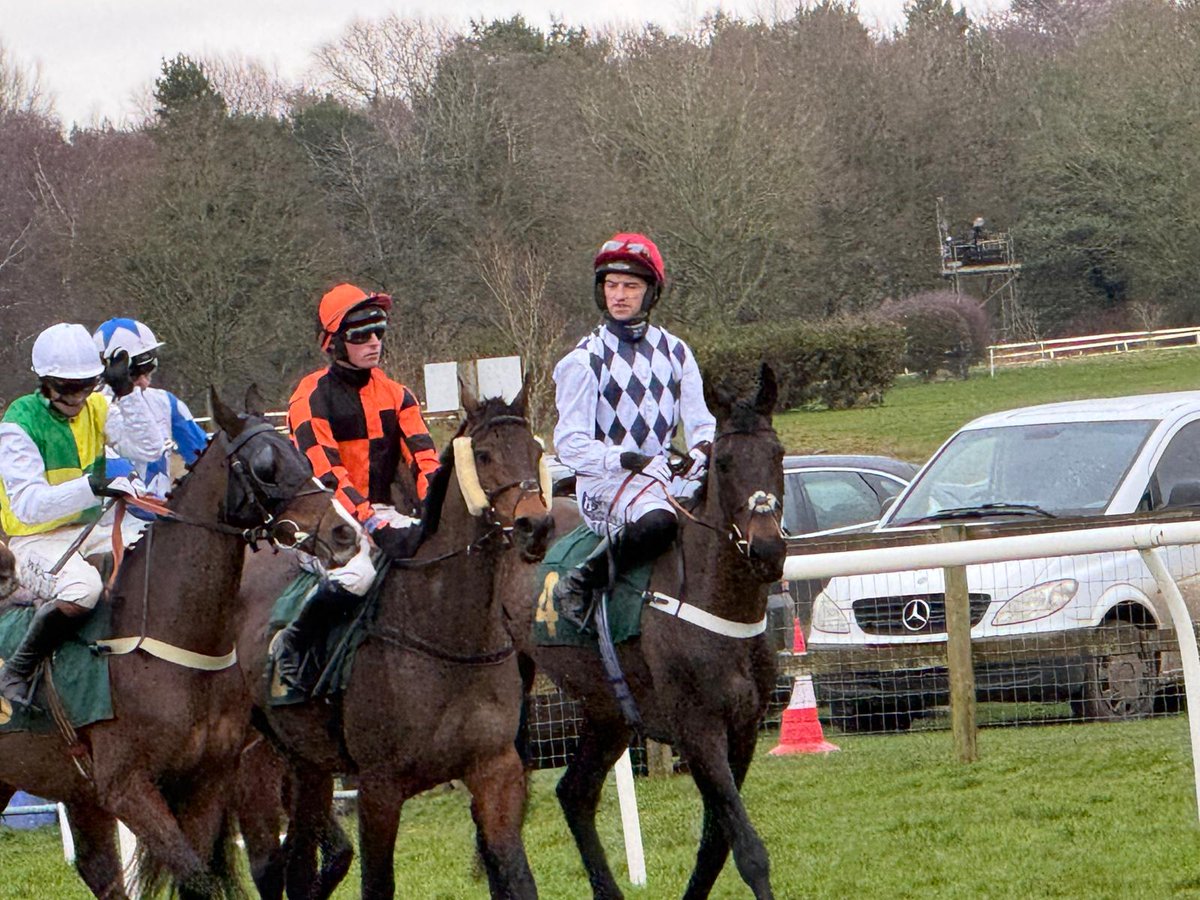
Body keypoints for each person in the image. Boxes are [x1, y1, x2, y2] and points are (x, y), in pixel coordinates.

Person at [277, 283, 440, 690]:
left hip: (380, 511)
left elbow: (425, 459)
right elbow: (328, 476)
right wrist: (371, 523)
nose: (373, 342)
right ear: (333, 343)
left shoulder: (398, 395)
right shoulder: (310, 397)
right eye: (361, 335)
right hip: (323, 520)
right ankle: (293, 645)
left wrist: (435, 508)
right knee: (359, 575)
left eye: (378, 331)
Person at [551, 232, 716, 630]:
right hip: (605, 483)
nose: (619, 295)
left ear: (650, 293)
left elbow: (702, 423)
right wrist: (625, 458)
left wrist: (700, 451)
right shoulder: (583, 359)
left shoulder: (676, 351)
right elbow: (568, 444)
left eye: (630, 286)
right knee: (660, 522)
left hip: (661, 477)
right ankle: (580, 582)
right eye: (612, 285)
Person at [0, 323, 167, 706]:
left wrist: (126, 393)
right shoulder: (17, 425)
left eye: (86, 385)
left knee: (159, 553)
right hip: (35, 539)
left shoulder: (98, 406)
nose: (77, 397)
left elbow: (150, 448)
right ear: (45, 383)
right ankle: (17, 670)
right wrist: (92, 486)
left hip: (91, 528)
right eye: (67, 387)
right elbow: (28, 507)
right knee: (84, 590)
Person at [92, 318, 208, 502]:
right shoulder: (90, 411)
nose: (145, 382)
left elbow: (205, 458)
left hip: (159, 514)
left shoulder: (167, 402)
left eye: (148, 371)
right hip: (109, 515)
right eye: (134, 375)